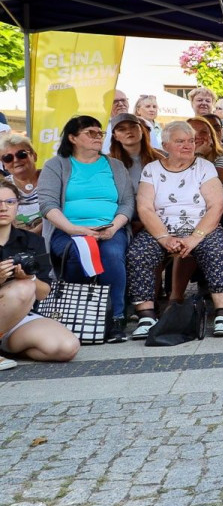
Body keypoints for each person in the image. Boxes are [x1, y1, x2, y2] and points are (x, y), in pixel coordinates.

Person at [126, 121, 223, 339]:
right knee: (138, 253)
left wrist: (195, 238)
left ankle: (222, 314)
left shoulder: (204, 167)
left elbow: (216, 206)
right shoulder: (152, 170)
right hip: (162, 229)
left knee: (216, 249)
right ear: (165, 145)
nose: (188, 145)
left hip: (201, 228)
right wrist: (164, 238)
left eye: (191, 141)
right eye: (180, 141)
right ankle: (146, 315)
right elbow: (145, 208)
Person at [39, 115, 134, 343]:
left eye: (100, 133)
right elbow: (47, 204)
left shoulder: (115, 166)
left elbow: (127, 203)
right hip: (67, 229)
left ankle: (116, 318)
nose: (98, 137)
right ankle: (80, 315)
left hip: (109, 228)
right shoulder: (56, 165)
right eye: (91, 133)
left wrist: (114, 228)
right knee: (76, 253)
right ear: (72, 138)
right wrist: (74, 229)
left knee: (112, 254)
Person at [0, 181, 78, 368]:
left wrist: (31, 278)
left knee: (66, 347)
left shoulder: (32, 241)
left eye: (9, 202)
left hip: (17, 318)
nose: (3, 208)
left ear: (18, 205)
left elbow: (43, 294)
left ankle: (5, 348)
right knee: (22, 289)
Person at [106, 113, 162, 195]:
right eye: (122, 129)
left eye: (133, 126)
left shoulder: (162, 157)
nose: (128, 131)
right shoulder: (107, 162)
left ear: (141, 130)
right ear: (115, 136)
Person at [2, 134, 42, 235]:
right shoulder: (2, 187)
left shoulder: (53, 178)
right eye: (8, 158)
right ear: (4, 165)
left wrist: (35, 231)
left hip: (55, 235)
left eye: (21, 154)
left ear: (34, 156)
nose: (16, 160)